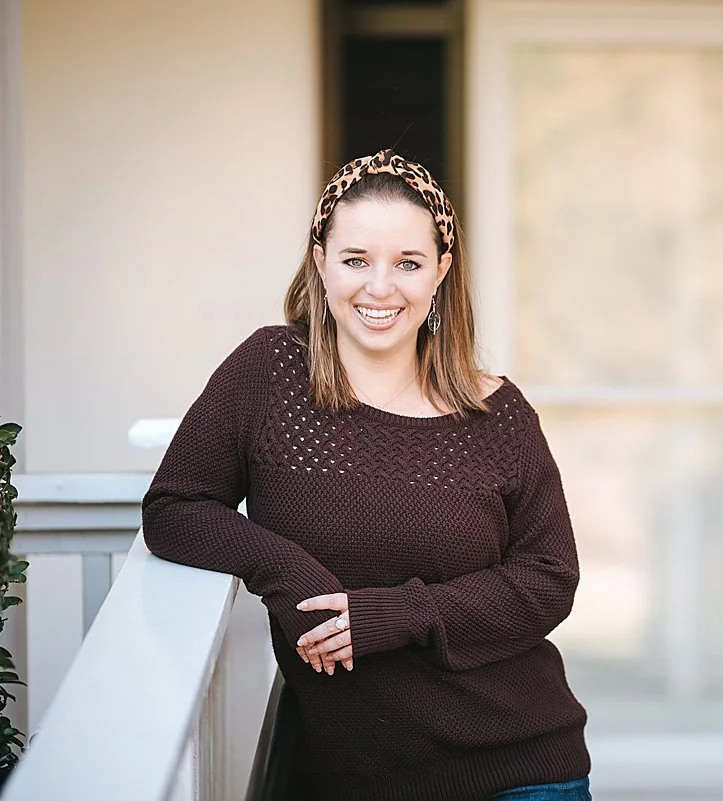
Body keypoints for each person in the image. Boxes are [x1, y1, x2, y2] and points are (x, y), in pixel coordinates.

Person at [141, 149, 591, 801]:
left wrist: (399, 614)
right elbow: (175, 506)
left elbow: (549, 578)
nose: (380, 288)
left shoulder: (497, 413)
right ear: (320, 261)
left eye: (408, 263)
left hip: (518, 769)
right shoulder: (270, 372)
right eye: (356, 260)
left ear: (441, 271)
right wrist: (285, 571)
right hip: (354, 775)